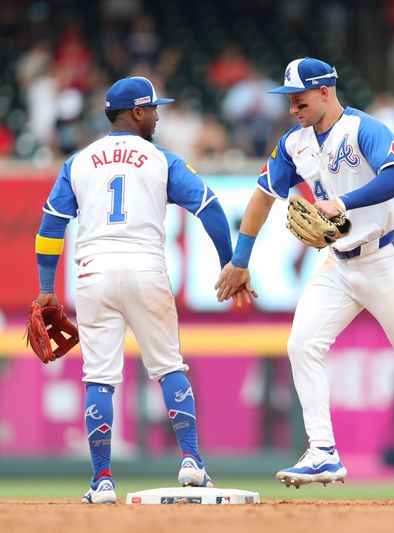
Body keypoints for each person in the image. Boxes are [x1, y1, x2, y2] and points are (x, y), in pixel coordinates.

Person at [214, 57, 394, 504]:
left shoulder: (363, 128)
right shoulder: (294, 143)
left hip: (386, 257)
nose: (293, 107)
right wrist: (240, 258)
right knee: (302, 344)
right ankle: (323, 450)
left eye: (300, 98)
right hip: (338, 262)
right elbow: (262, 196)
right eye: (289, 99)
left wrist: (341, 203)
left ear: (325, 91)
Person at [33, 76, 235, 504]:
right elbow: (210, 207)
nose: (159, 115)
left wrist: (46, 288)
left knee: (100, 379)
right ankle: (192, 462)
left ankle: (102, 481)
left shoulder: (80, 161)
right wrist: (229, 263)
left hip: (92, 272)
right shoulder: (160, 159)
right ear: (137, 112)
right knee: (168, 366)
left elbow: (50, 227)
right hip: (145, 267)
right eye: (154, 108)